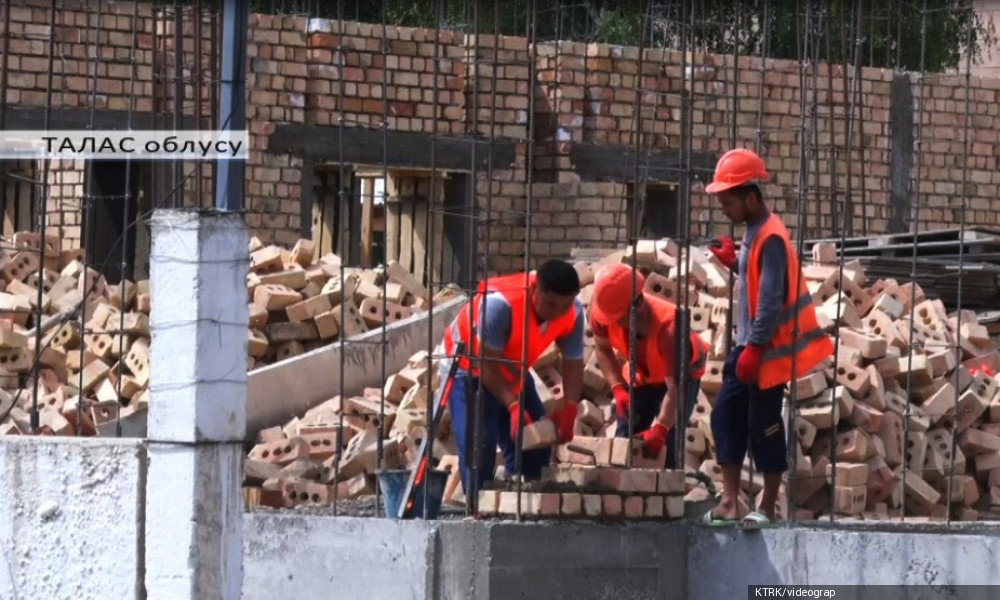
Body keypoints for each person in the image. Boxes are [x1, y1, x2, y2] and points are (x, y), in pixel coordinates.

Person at [703, 147, 834, 529]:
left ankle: (768, 504)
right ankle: (730, 503)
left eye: (728, 202)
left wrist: (756, 348)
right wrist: (736, 263)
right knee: (726, 417)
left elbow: (773, 299)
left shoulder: (772, 237)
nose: (725, 209)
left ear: (751, 197)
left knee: (765, 427)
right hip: (749, 347)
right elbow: (760, 282)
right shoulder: (755, 233)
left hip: (767, 352)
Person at [440, 259, 584, 498]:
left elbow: (573, 361)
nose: (557, 312)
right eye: (550, 303)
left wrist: (570, 407)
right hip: (468, 368)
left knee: (536, 443)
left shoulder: (574, 312)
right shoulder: (501, 305)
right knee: (479, 448)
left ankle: (522, 501)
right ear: (535, 287)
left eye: (563, 306)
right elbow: (485, 364)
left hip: (513, 370)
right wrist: (513, 405)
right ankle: (478, 509)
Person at [588, 263, 709, 468]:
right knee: (626, 435)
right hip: (641, 373)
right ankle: (622, 490)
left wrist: (660, 429)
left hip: (681, 378)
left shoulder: (670, 330)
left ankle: (667, 492)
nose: (612, 323)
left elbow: (675, 389)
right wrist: (618, 388)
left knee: (668, 440)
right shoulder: (603, 310)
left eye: (617, 318)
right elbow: (603, 350)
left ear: (637, 306)